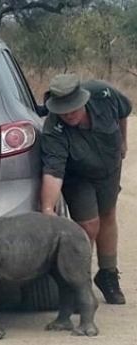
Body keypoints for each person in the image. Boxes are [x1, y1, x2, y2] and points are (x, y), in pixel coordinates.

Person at [40, 73, 132, 305]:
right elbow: (53, 172)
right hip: (78, 176)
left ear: (82, 99)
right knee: (89, 225)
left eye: (72, 108)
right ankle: (80, 281)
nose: (68, 114)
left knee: (108, 214)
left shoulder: (104, 94)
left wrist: (123, 140)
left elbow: (123, 113)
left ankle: (108, 274)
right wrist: (48, 209)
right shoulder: (54, 128)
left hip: (109, 168)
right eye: (63, 109)